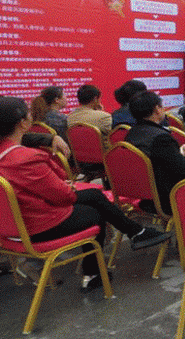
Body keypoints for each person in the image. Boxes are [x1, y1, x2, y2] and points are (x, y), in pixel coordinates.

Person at [0, 97, 172, 291]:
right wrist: (63, 186)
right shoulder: (25, 158)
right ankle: (94, 272)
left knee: (93, 197)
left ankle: (134, 235)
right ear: (23, 123)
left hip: (10, 228)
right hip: (37, 227)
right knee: (94, 214)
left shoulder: (10, 154)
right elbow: (64, 197)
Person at [124, 91, 185, 214]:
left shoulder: (130, 134)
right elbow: (183, 168)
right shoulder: (161, 138)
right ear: (157, 109)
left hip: (144, 194)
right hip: (168, 197)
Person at [66, 83, 113, 151]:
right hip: (103, 155)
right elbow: (113, 136)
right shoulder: (104, 117)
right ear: (95, 99)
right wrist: (102, 112)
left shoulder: (69, 117)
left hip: (78, 155)